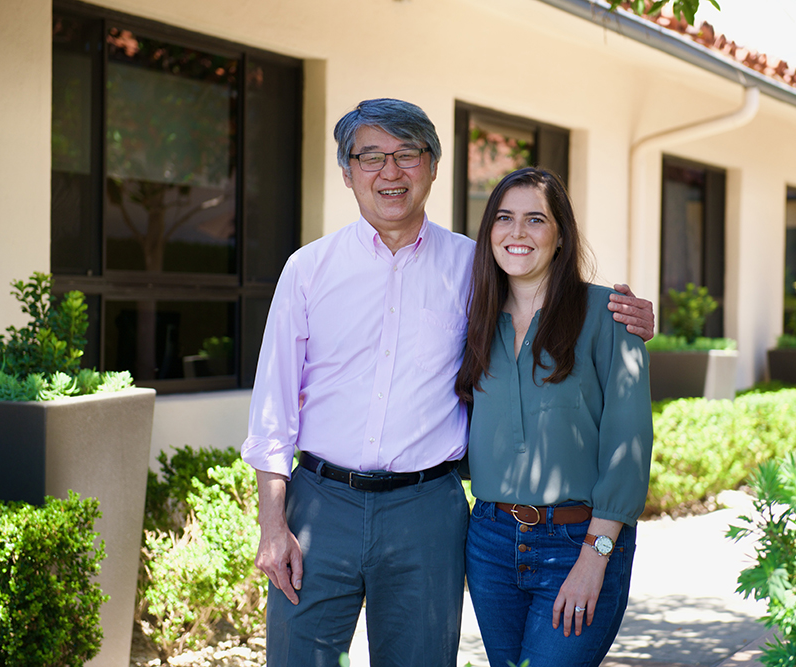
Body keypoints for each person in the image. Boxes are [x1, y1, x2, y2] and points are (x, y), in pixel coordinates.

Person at [240, 98, 653, 667]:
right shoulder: (307, 269)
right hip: (320, 504)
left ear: (433, 166)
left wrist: (630, 318)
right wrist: (271, 524)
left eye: (407, 155)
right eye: (370, 157)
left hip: (426, 510)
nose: (390, 172)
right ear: (346, 172)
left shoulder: (474, 268)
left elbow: (552, 303)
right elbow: (273, 407)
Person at [457, 167, 653, 667]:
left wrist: (595, 556)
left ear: (561, 235)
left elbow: (629, 447)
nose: (517, 232)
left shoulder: (610, 315)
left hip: (577, 539)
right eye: (504, 217)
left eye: (535, 220)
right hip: (491, 542)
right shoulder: (471, 317)